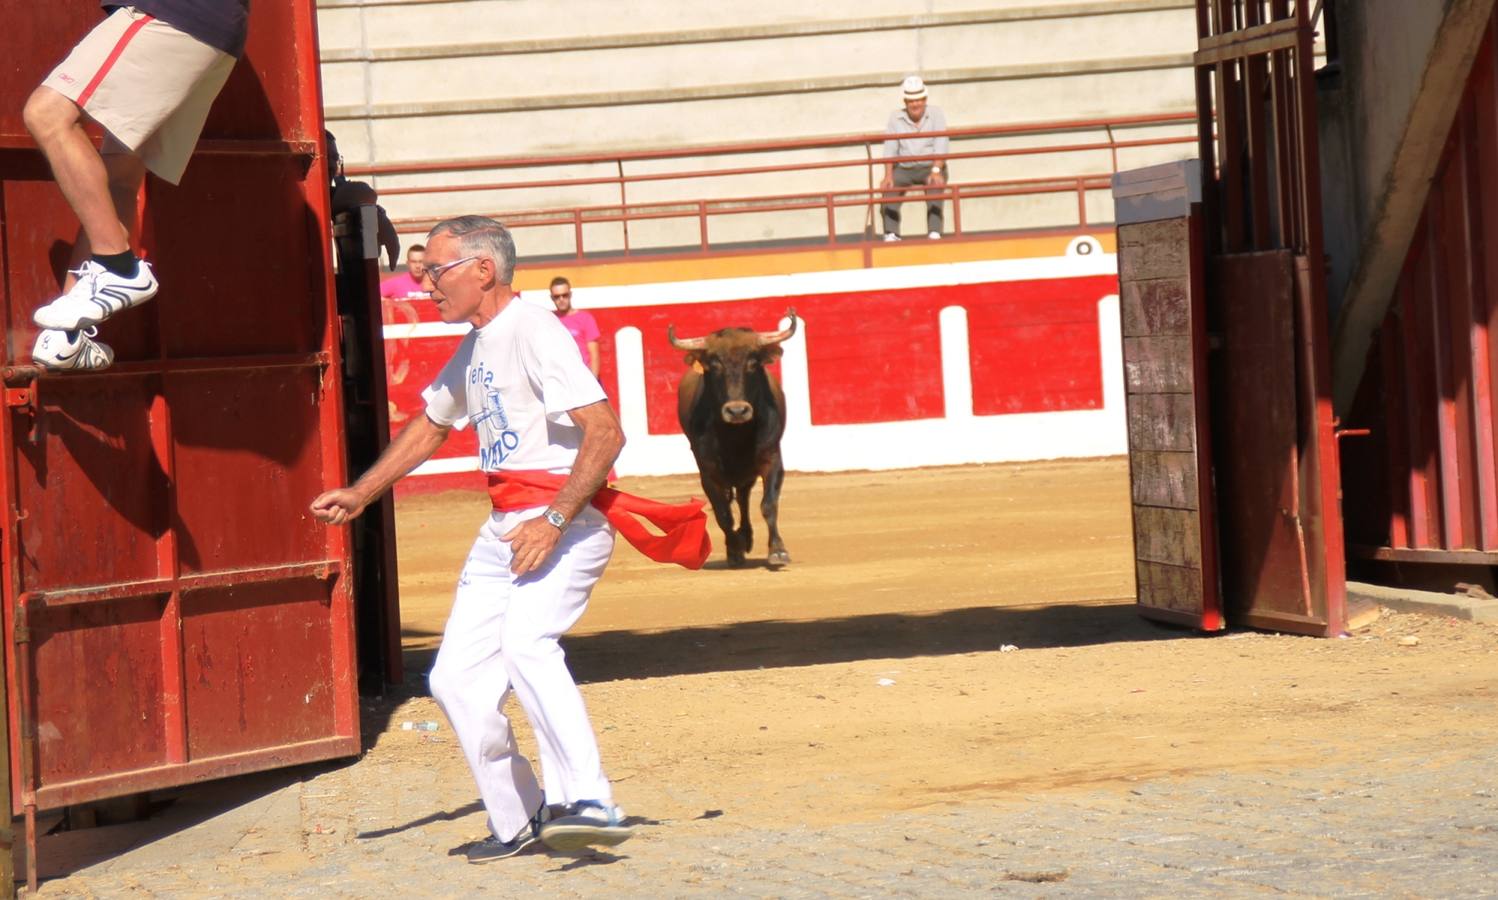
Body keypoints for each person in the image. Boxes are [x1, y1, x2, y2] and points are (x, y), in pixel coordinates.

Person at [309, 216, 709, 863]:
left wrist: (552, 521)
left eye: (436, 271)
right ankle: (520, 816)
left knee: (526, 644)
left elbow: (605, 432)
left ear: (482, 270)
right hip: (505, 530)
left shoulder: (535, 332)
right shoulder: (479, 344)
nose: (425, 283)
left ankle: (588, 800)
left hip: (565, 524)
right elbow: (431, 424)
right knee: (455, 681)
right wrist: (362, 493)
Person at [25, 1, 251, 371]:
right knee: (120, 176)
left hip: (169, 13)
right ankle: (69, 337)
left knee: (48, 114)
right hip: (210, 27)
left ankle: (119, 268)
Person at [879, 75, 950, 242]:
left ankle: (935, 232)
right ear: (905, 102)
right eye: (911, 100)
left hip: (931, 165)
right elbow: (890, 148)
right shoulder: (895, 118)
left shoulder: (936, 114)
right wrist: (888, 175)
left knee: (935, 184)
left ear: (925, 99)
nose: (915, 104)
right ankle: (891, 233)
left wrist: (936, 170)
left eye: (918, 99)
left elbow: (941, 143)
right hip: (905, 167)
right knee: (889, 189)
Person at [548, 276, 601, 378]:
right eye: (557, 296)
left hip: (583, 377)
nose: (561, 299)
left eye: (565, 295)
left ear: (570, 295)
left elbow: (594, 355)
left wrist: (593, 382)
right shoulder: (549, 319)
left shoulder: (585, 318)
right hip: (560, 380)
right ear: (552, 298)